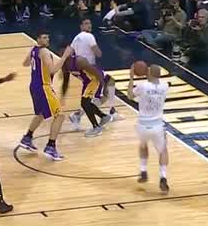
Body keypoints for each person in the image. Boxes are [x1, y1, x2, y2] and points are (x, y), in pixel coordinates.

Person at [19, 31, 71, 161]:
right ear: (38, 39)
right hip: (44, 87)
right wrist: (64, 57)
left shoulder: (34, 50)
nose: (47, 39)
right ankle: (50, 147)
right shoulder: (44, 52)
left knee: (41, 114)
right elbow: (53, 70)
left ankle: (27, 138)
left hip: (34, 86)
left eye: (48, 37)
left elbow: (25, 63)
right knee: (59, 116)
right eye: (44, 37)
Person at [127, 63, 171, 192]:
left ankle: (143, 171)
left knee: (143, 146)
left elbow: (130, 95)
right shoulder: (165, 86)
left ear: (149, 74)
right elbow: (156, 79)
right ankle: (163, 177)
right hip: (157, 125)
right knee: (163, 151)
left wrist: (131, 77)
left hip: (143, 125)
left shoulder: (142, 86)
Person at [69, 19, 118, 132]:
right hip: (91, 71)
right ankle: (81, 115)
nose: (89, 25)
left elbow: (70, 53)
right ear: (81, 26)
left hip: (85, 70)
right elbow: (98, 53)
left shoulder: (76, 38)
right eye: (86, 23)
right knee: (92, 99)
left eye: (90, 23)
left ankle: (111, 111)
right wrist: (98, 51)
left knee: (110, 82)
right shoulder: (89, 36)